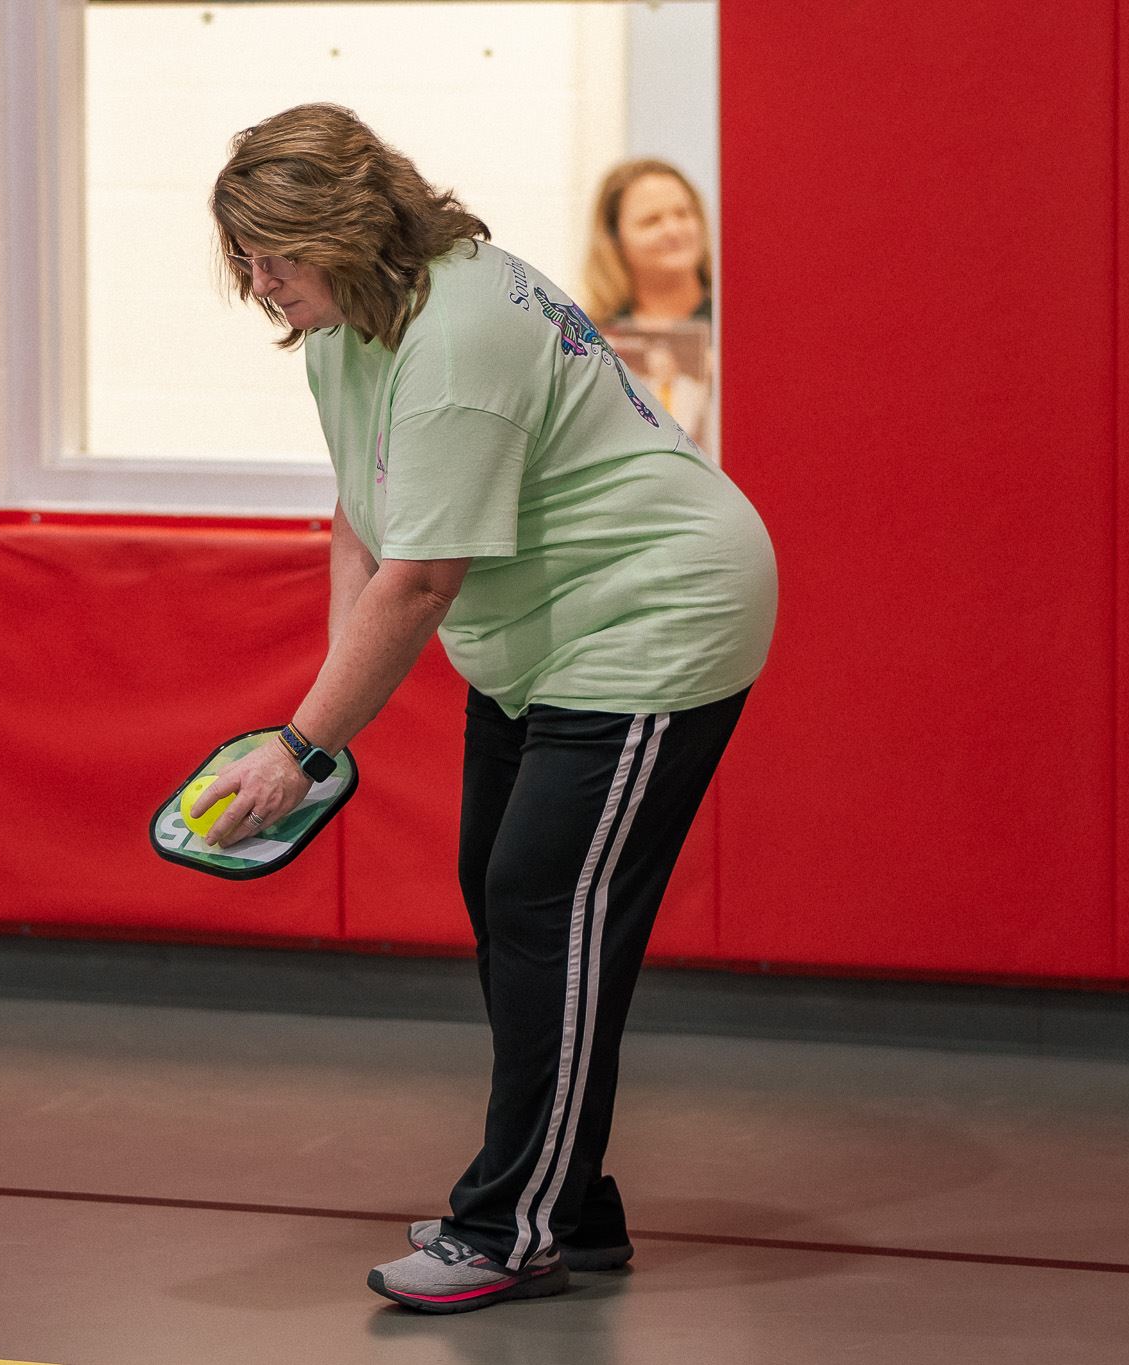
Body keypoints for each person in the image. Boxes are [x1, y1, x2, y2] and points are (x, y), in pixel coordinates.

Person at [191, 104, 776, 1314]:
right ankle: (566, 1202)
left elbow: (420, 580)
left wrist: (303, 747)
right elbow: (365, 513)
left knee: (540, 904)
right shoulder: (346, 323)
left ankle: (510, 1225)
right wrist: (318, 716)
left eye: (273, 255)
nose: (256, 284)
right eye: (242, 256)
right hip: (542, 638)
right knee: (505, 896)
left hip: (650, 618)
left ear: (342, 230)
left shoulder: (455, 338)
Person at [578, 157, 713, 329]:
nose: (673, 230)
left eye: (683, 213)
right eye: (651, 221)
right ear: (614, 239)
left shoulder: (740, 322)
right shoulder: (588, 338)